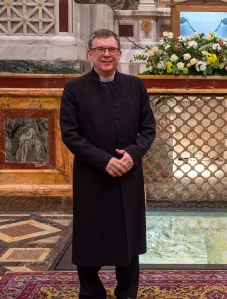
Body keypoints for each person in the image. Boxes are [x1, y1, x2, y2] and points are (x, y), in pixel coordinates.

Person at [60, 29, 156, 299]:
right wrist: (104, 161)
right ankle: (91, 291)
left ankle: (127, 292)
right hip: (92, 176)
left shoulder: (136, 86)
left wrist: (132, 156)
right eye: (100, 49)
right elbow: (70, 134)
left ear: (119, 54)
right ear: (90, 54)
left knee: (129, 237)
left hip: (128, 174)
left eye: (111, 49)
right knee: (91, 234)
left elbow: (148, 130)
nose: (106, 54)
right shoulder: (74, 88)